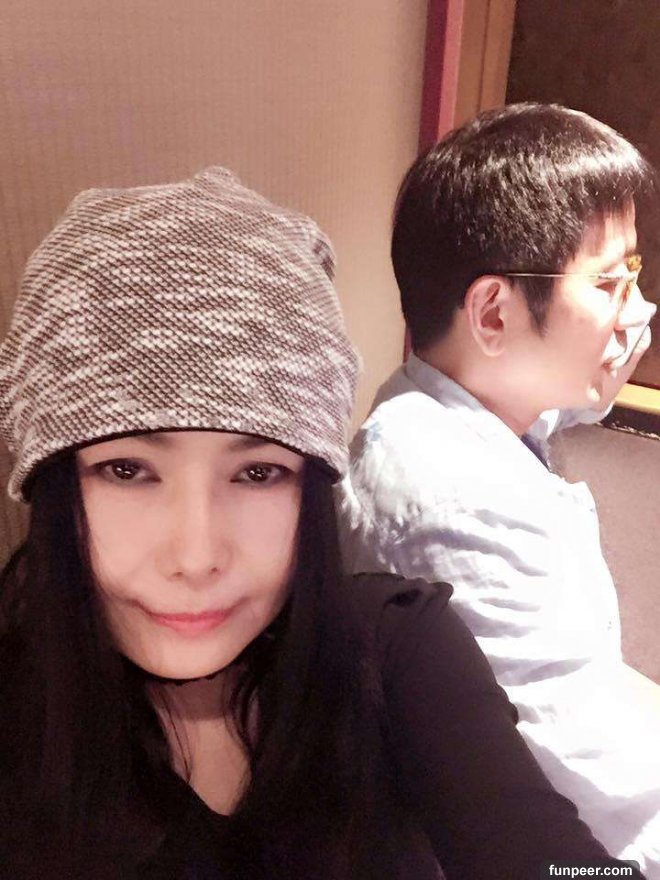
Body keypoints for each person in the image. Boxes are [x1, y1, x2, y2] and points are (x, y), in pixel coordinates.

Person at [0, 167, 624, 880]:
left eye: (258, 473)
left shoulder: (395, 648)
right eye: (126, 470)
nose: (196, 557)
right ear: (53, 484)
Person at [338, 102, 660, 875]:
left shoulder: (478, 412)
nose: (639, 312)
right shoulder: (449, 501)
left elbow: (586, 684)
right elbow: (584, 790)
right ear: (492, 314)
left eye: (636, 277)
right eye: (611, 283)